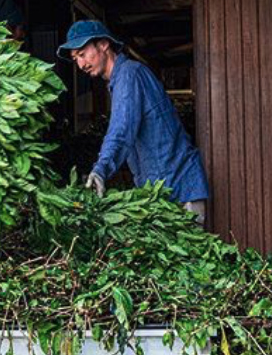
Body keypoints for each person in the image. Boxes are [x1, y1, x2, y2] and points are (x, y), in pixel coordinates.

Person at [57, 20, 209, 222]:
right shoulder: (120, 80)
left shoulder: (129, 74)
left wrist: (101, 169)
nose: (80, 65)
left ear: (103, 44)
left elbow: (121, 130)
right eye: (75, 58)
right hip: (164, 191)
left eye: (83, 54)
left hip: (179, 190)